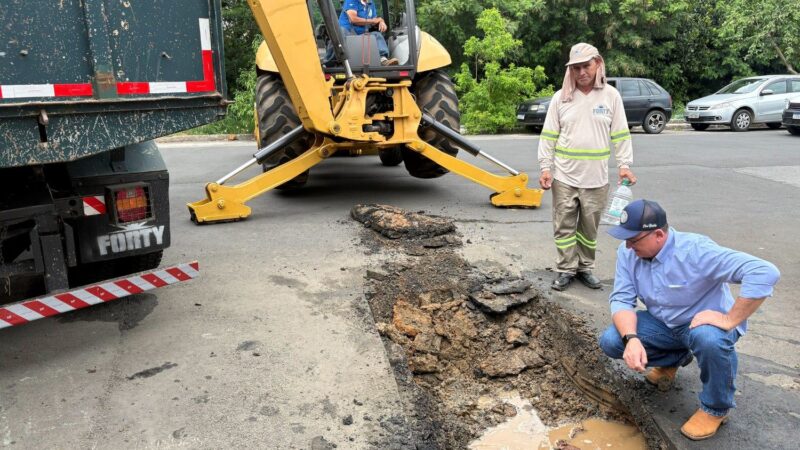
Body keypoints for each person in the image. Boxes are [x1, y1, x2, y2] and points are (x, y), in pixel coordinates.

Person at [598, 199, 780, 440]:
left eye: (633, 240)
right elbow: (622, 298)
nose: (628, 246)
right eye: (625, 240)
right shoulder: (628, 252)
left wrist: (729, 319)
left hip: (701, 325)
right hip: (665, 323)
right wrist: (631, 338)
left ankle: (715, 408)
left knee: (708, 339)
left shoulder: (696, 250)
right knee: (612, 340)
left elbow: (765, 272)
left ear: (659, 235)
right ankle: (675, 358)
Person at [538, 42, 636, 291]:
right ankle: (565, 269)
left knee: (588, 229)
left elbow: (621, 134)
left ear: (598, 64)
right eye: (576, 68)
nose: (581, 72)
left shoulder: (611, 96)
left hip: (596, 178)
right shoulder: (561, 98)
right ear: (570, 70)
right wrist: (545, 167)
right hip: (564, 176)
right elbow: (548, 135)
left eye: (586, 66)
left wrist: (624, 165)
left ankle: (585, 268)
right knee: (564, 226)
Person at [338, 0, 399, 66]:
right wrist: (374, 21)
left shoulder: (370, 3)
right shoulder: (352, 1)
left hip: (361, 35)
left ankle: (382, 59)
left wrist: (381, 21)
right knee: (341, 33)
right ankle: (333, 62)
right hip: (348, 33)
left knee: (376, 35)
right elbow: (353, 19)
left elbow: (375, 20)